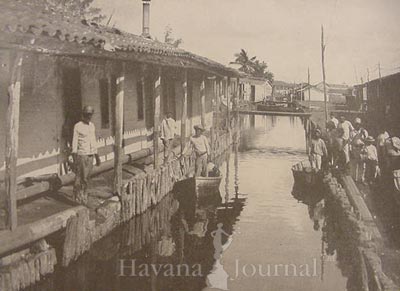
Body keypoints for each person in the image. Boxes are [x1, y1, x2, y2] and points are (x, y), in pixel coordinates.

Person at [72, 106, 101, 204]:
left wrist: (97, 157)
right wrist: (75, 159)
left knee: (87, 178)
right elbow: (74, 143)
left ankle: (84, 197)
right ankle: (77, 198)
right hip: (82, 155)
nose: (89, 116)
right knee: (80, 178)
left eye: (90, 114)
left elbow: (93, 142)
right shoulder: (78, 126)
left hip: (90, 155)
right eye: (87, 114)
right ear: (83, 114)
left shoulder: (92, 126)